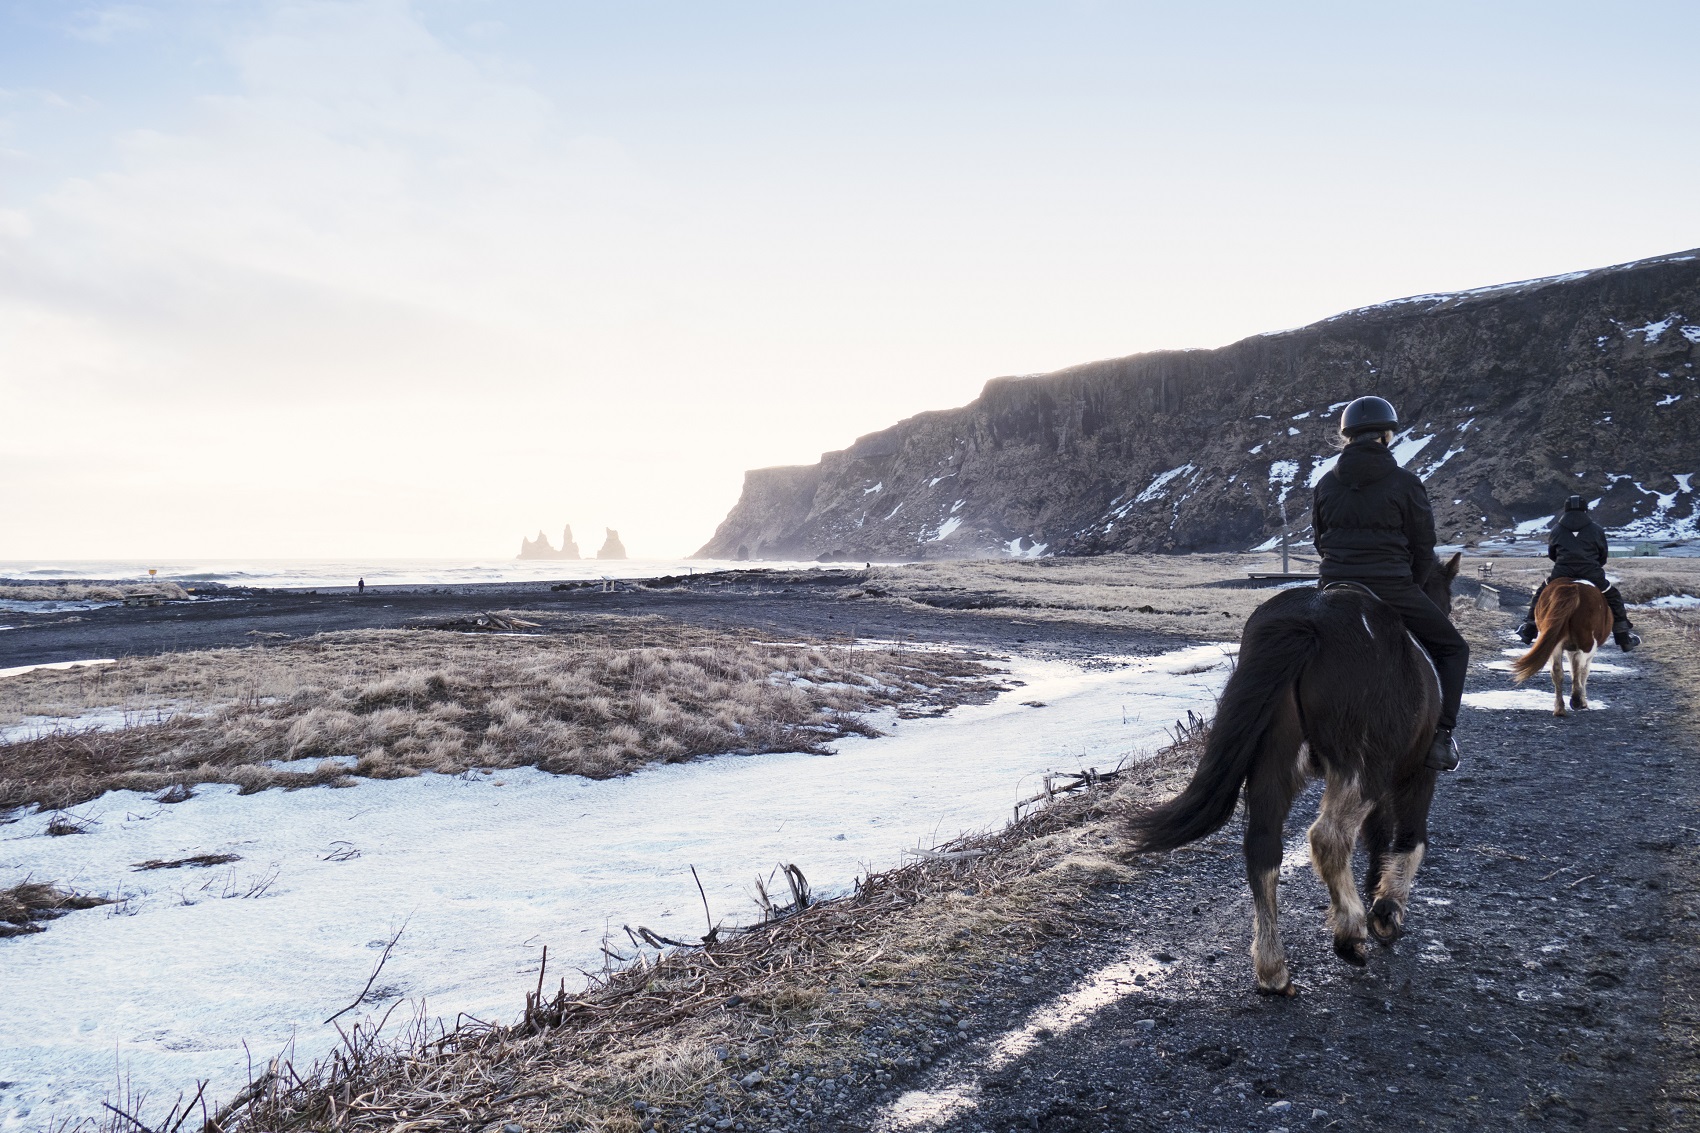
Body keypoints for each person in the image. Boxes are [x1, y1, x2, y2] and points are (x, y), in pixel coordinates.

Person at [1313, 396, 1469, 772]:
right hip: (1392, 587)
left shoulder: (1325, 484)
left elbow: (1320, 541)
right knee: (1453, 649)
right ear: (1387, 436)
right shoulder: (1405, 482)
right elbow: (1422, 546)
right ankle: (1440, 738)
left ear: (1346, 437)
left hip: (1333, 589)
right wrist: (1409, 586)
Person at [1516, 496, 1640, 651]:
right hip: (1590, 572)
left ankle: (1529, 630)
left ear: (1566, 509)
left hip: (1562, 572)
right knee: (1613, 596)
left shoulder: (1557, 529)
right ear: (1585, 509)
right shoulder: (1596, 529)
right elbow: (1603, 553)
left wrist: (1563, 563)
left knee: (1541, 593)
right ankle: (1623, 638)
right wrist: (1595, 565)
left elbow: (1552, 554)